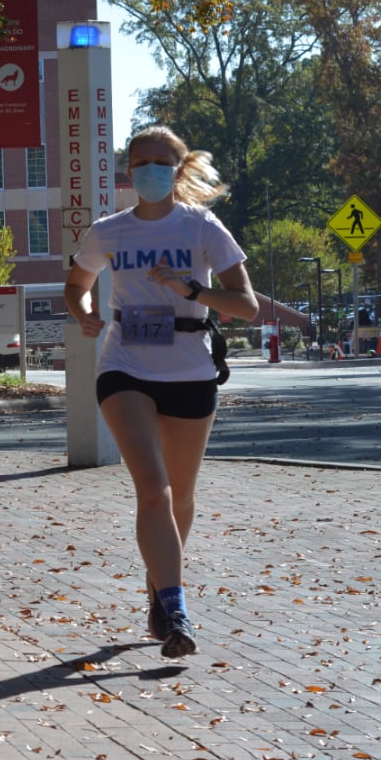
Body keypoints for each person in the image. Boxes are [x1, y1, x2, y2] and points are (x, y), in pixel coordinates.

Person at [63, 125, 258, 658]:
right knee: (153, 487)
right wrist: (85, 315)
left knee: (181, 495)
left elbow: (247, 306)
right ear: (128, 172)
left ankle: (157, 587)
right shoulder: (109, 231)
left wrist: (191, 288)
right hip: (125, 366)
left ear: (178, 168)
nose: (147, 170)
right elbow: (76, 286)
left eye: (159, 161)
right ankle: (176, 610)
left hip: (190, 369)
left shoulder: (202, 227)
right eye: (138, 161)